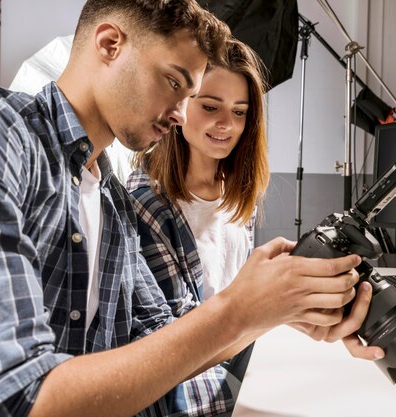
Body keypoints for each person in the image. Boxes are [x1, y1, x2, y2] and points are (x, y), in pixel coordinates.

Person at [0, 1, 384, 417]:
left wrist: (279, 308)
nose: (180, 113)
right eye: (174, 82)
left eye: (191, 95)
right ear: (110, 44)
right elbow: (6, 398)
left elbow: (166, 343)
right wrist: (241, 310)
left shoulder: (112, 203)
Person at [126, 38, 269, 414]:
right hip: (189, 386)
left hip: (239, 357)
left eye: (240, 112)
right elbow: (174, 337)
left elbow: (239, 293)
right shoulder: (148, 203)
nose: (227, 125)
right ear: (180, 105)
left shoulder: (240, 192)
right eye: (210, 107)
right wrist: (269, 309)